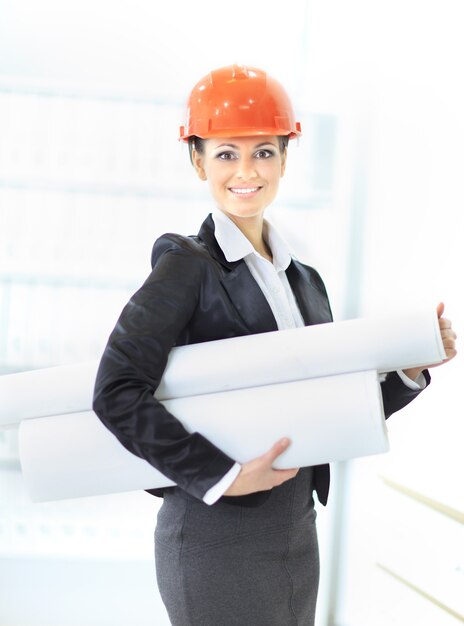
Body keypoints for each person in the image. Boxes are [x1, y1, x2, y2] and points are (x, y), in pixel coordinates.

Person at [92, 64, 457, 626]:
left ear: (285, 158)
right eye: (225, 154)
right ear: (198, 162)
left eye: (263, 151)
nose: (246, 171)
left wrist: (407, 370)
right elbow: (116, 392)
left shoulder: (304, 280)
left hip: (294, 527)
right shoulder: (186, 265)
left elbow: (326, 412)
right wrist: (223, 475)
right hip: (216, 531)